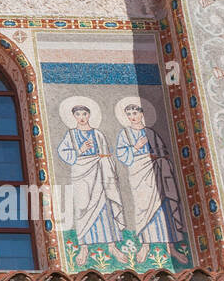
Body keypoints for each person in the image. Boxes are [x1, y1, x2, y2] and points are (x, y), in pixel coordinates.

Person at [55, 104, 125, 259]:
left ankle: (112, 245)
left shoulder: (98, 134)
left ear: (89, 115)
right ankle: (83, 247)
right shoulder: (71, 135)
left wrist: (106, 167)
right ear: (74, 117)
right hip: (81, 175)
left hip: (100, 174)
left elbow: (107, 155)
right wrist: (80, 150)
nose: (81, 117)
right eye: (78, 114)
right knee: (82, 208)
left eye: (84, 114)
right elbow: (63, 152)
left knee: (104, 207)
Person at [115, 102, 186, 248]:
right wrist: (136, 147)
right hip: (138, 174)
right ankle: (146, 245)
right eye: (129, 114)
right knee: (143, 208)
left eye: (135, 113)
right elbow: (122, 155)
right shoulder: (125, 133)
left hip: (157, 172)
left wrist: (156, 157)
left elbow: (163, 152)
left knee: (162, 205)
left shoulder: (151, 133)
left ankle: (169, 247)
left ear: (142, 114)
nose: (132, 117)